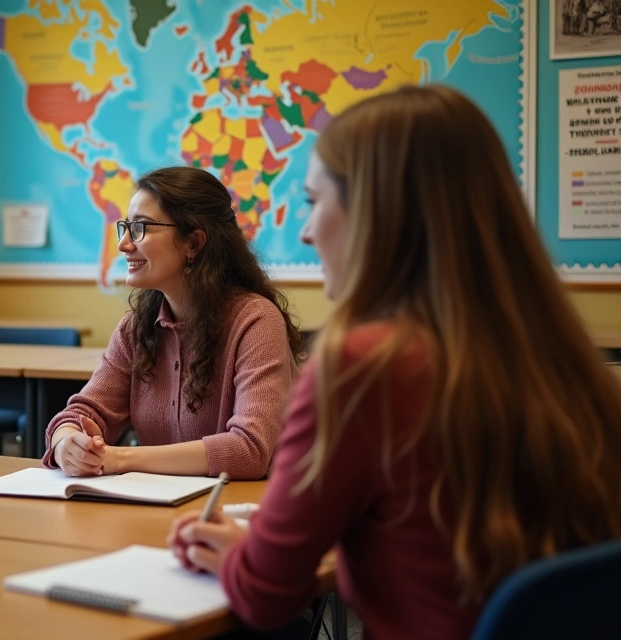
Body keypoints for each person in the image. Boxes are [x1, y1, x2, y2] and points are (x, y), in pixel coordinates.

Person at [168, 85, 621, 639]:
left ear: (376, 211)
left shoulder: (362, 367)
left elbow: (266, 595)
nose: (307, 232)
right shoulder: (559, 353)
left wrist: (236, 555)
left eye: (313, 203)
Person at [45, 166, 304, 480]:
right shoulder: (135, 328)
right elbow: (81, 415)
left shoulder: (256, 322)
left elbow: (249, 451)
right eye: (125, 227)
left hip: (239, 515)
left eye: (140, 228)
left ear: (193, 243)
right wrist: (66, 444)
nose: (124, 244)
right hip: (161, 512)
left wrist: (121, 458)